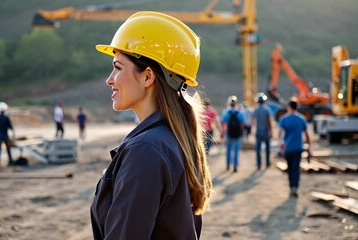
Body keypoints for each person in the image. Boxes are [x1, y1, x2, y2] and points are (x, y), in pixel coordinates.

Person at [90, 11, 212, 239]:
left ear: (147, 77)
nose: (109, 79)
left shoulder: (147, 151)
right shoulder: (170, 140)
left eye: (117, 67)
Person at [278, 99, 311, 197]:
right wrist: (309, 148)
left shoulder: (284, 119)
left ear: (288, 107)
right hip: (298, 147)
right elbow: (307, 135)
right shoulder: (301, 119)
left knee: (290, 168)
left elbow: (279, 134)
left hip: (288, 148)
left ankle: (291, 185)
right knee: (296, 168)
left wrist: (280, 145)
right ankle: (294, 187)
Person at [221, 95, 244, 172]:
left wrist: (223, 132)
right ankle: (235, 166)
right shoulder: (239, 113)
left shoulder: (226, 113)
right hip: (237, 134)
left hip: (228, 134)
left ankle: (228, 165)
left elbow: (224, 123)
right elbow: (242, 124)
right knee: (236, 150)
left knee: (228, 150)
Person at [252, 93, 273, 170]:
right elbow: (269, 122)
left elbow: (253, 120)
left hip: (258, 131)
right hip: (265, 131)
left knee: (258, 149)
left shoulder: (256, 109)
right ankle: (267, 163)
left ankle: (259, 164)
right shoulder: (267, 109)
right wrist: (271, 131)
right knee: (267, 148)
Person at [0, 102, 14, 167]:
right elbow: (10, 127)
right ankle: (10, 160)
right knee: (8, 148)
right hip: (5, 135)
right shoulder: (6, 118)